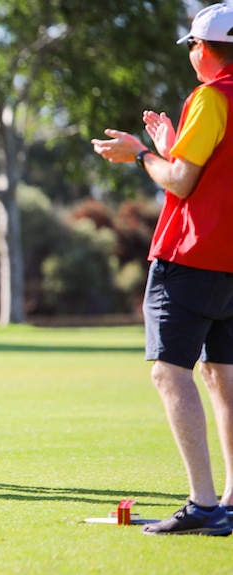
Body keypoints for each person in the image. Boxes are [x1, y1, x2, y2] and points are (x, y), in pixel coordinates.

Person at [91, 3, 233, 536]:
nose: (192, 54)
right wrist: (170, 149)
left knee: (168, 371)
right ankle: (230, 503)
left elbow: (179, 183)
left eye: (193, 46)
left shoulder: (211, 95)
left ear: (204, 49)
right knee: (222, 375)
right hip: (230, 264)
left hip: (191, 256)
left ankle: (202, 505)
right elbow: (206, 169)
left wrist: (137, 154)